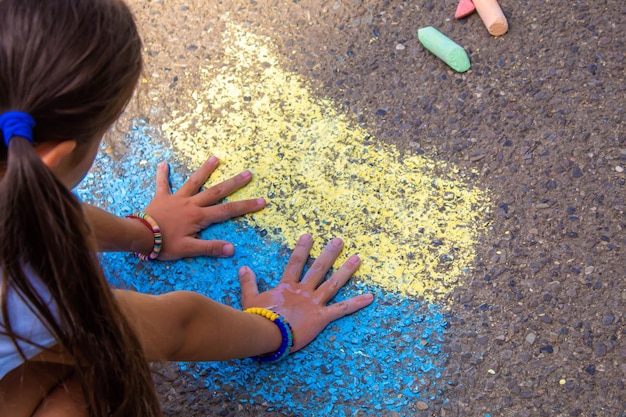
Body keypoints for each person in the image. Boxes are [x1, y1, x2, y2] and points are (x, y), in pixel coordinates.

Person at [0, 1, 374, 416]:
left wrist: (149, 233)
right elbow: (178, 327)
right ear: (52, 156)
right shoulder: (21, 296)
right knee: (96, 380)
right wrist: (277, 328)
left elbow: (33, 208)